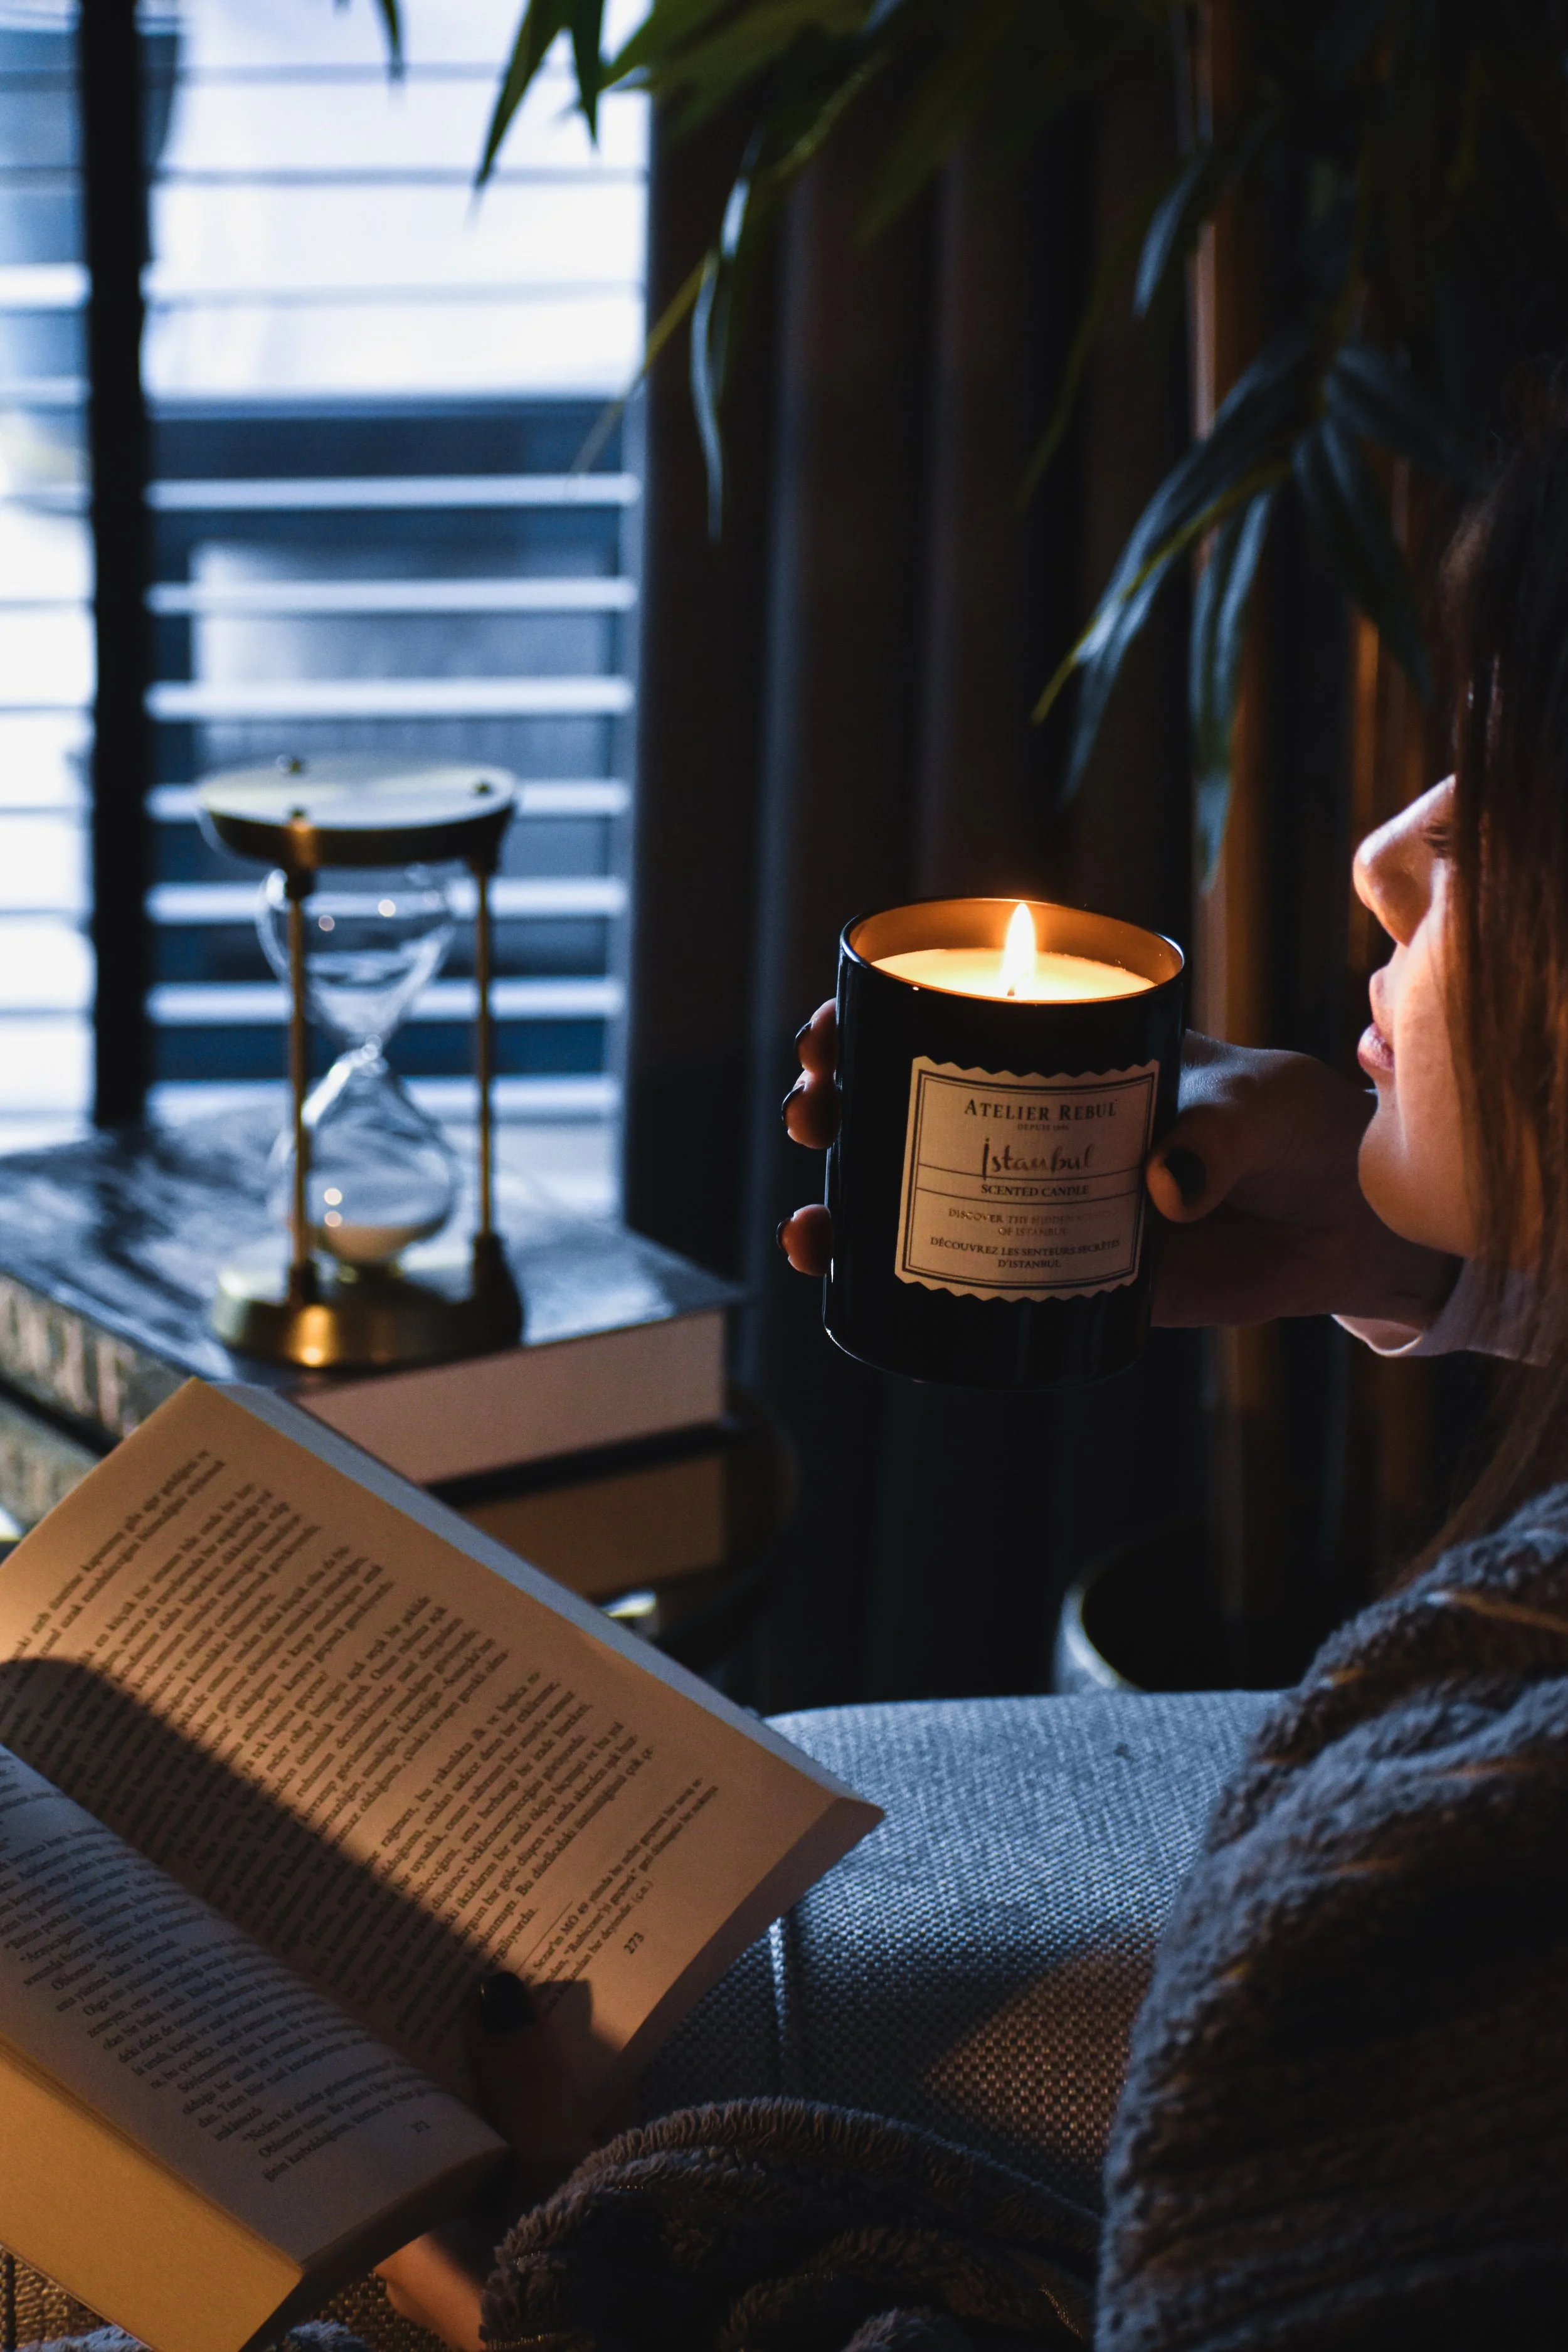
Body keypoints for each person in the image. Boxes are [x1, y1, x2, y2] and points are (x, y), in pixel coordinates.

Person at [375, 405, 1568, 2347]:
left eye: (1506, 787)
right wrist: (1439, 1244)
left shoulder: (1466, 1899)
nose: (1382, 856)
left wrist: (549, 2281)